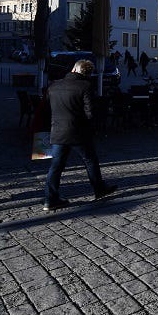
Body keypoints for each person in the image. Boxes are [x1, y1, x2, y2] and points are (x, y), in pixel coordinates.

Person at [43, 59, 117, 211]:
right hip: (78, 132)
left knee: (56, 166)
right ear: (88, 74)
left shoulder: (54, 86)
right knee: (90, 160)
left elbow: (46, 110)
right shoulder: (85, 86)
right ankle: (99, 189)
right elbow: (90, 113)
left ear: (73, 69)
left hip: (57, 132)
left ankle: (50, 199)